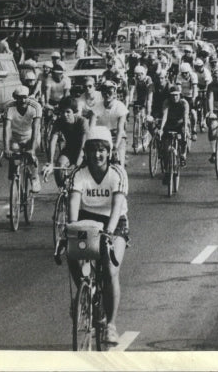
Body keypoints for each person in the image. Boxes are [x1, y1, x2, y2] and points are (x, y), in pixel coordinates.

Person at [61, 125, 128, 346]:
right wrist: (70, 228)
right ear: (86, 152)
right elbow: (73, 204)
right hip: (87, 219)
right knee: (71, 251)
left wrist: (108, 233)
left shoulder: (117, 173)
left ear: (109, 152)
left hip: (114, 222)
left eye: (102, 150)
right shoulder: (78, 174)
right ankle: (82, 292)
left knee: (110, 269)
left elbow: (118, 206)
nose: (97, 155)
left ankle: (111, 325)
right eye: (93, 150)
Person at [3, 85, 42, 193]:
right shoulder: (9, 107)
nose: (23, 100)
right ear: (15, 97)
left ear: (28, 96)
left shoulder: (35, 106)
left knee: (30, 156)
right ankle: (15, 179)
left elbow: (36, 128)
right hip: (16, 136)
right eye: (19, 97)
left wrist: (32, 149)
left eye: (25, 97)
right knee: (14, 154)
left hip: (31, 136)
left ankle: (34, 178)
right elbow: (6, 128)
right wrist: (6, 148)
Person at [43, 97, 88, 187]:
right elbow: (52, 141)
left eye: (68, 112)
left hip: (85, 150)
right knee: (59, 165)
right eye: (62, 112)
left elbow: (83, 145)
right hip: (70, 148)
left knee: (81, 171)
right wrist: (50, 162)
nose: (65, 115)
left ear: (74, 112)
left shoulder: (82, 121)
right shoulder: (59, 122)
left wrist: (76, 164)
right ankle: (63, 191)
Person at [89, 80, 128, 167]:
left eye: (109, 92)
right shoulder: (96, 107)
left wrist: (116, 146)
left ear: (114, 93)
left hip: (116, 137)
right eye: (104, 92)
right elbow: (91, 127)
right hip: (102, 137)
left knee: (118, 164)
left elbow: (120, 129)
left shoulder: (120, 107)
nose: (107, 95)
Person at [158, 83, 191, 182]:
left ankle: (183, 155)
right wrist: (161, 128)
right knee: (164, 143)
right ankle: (167, 169)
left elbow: (185, 117)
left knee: (184, 135)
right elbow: (164, 116)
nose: (174, 97)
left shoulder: (184, 103)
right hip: (169, 123)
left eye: (176, 95)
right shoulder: (166, 102)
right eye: (172, 95)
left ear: (180, 95)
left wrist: (185, 128)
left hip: (180, 123)